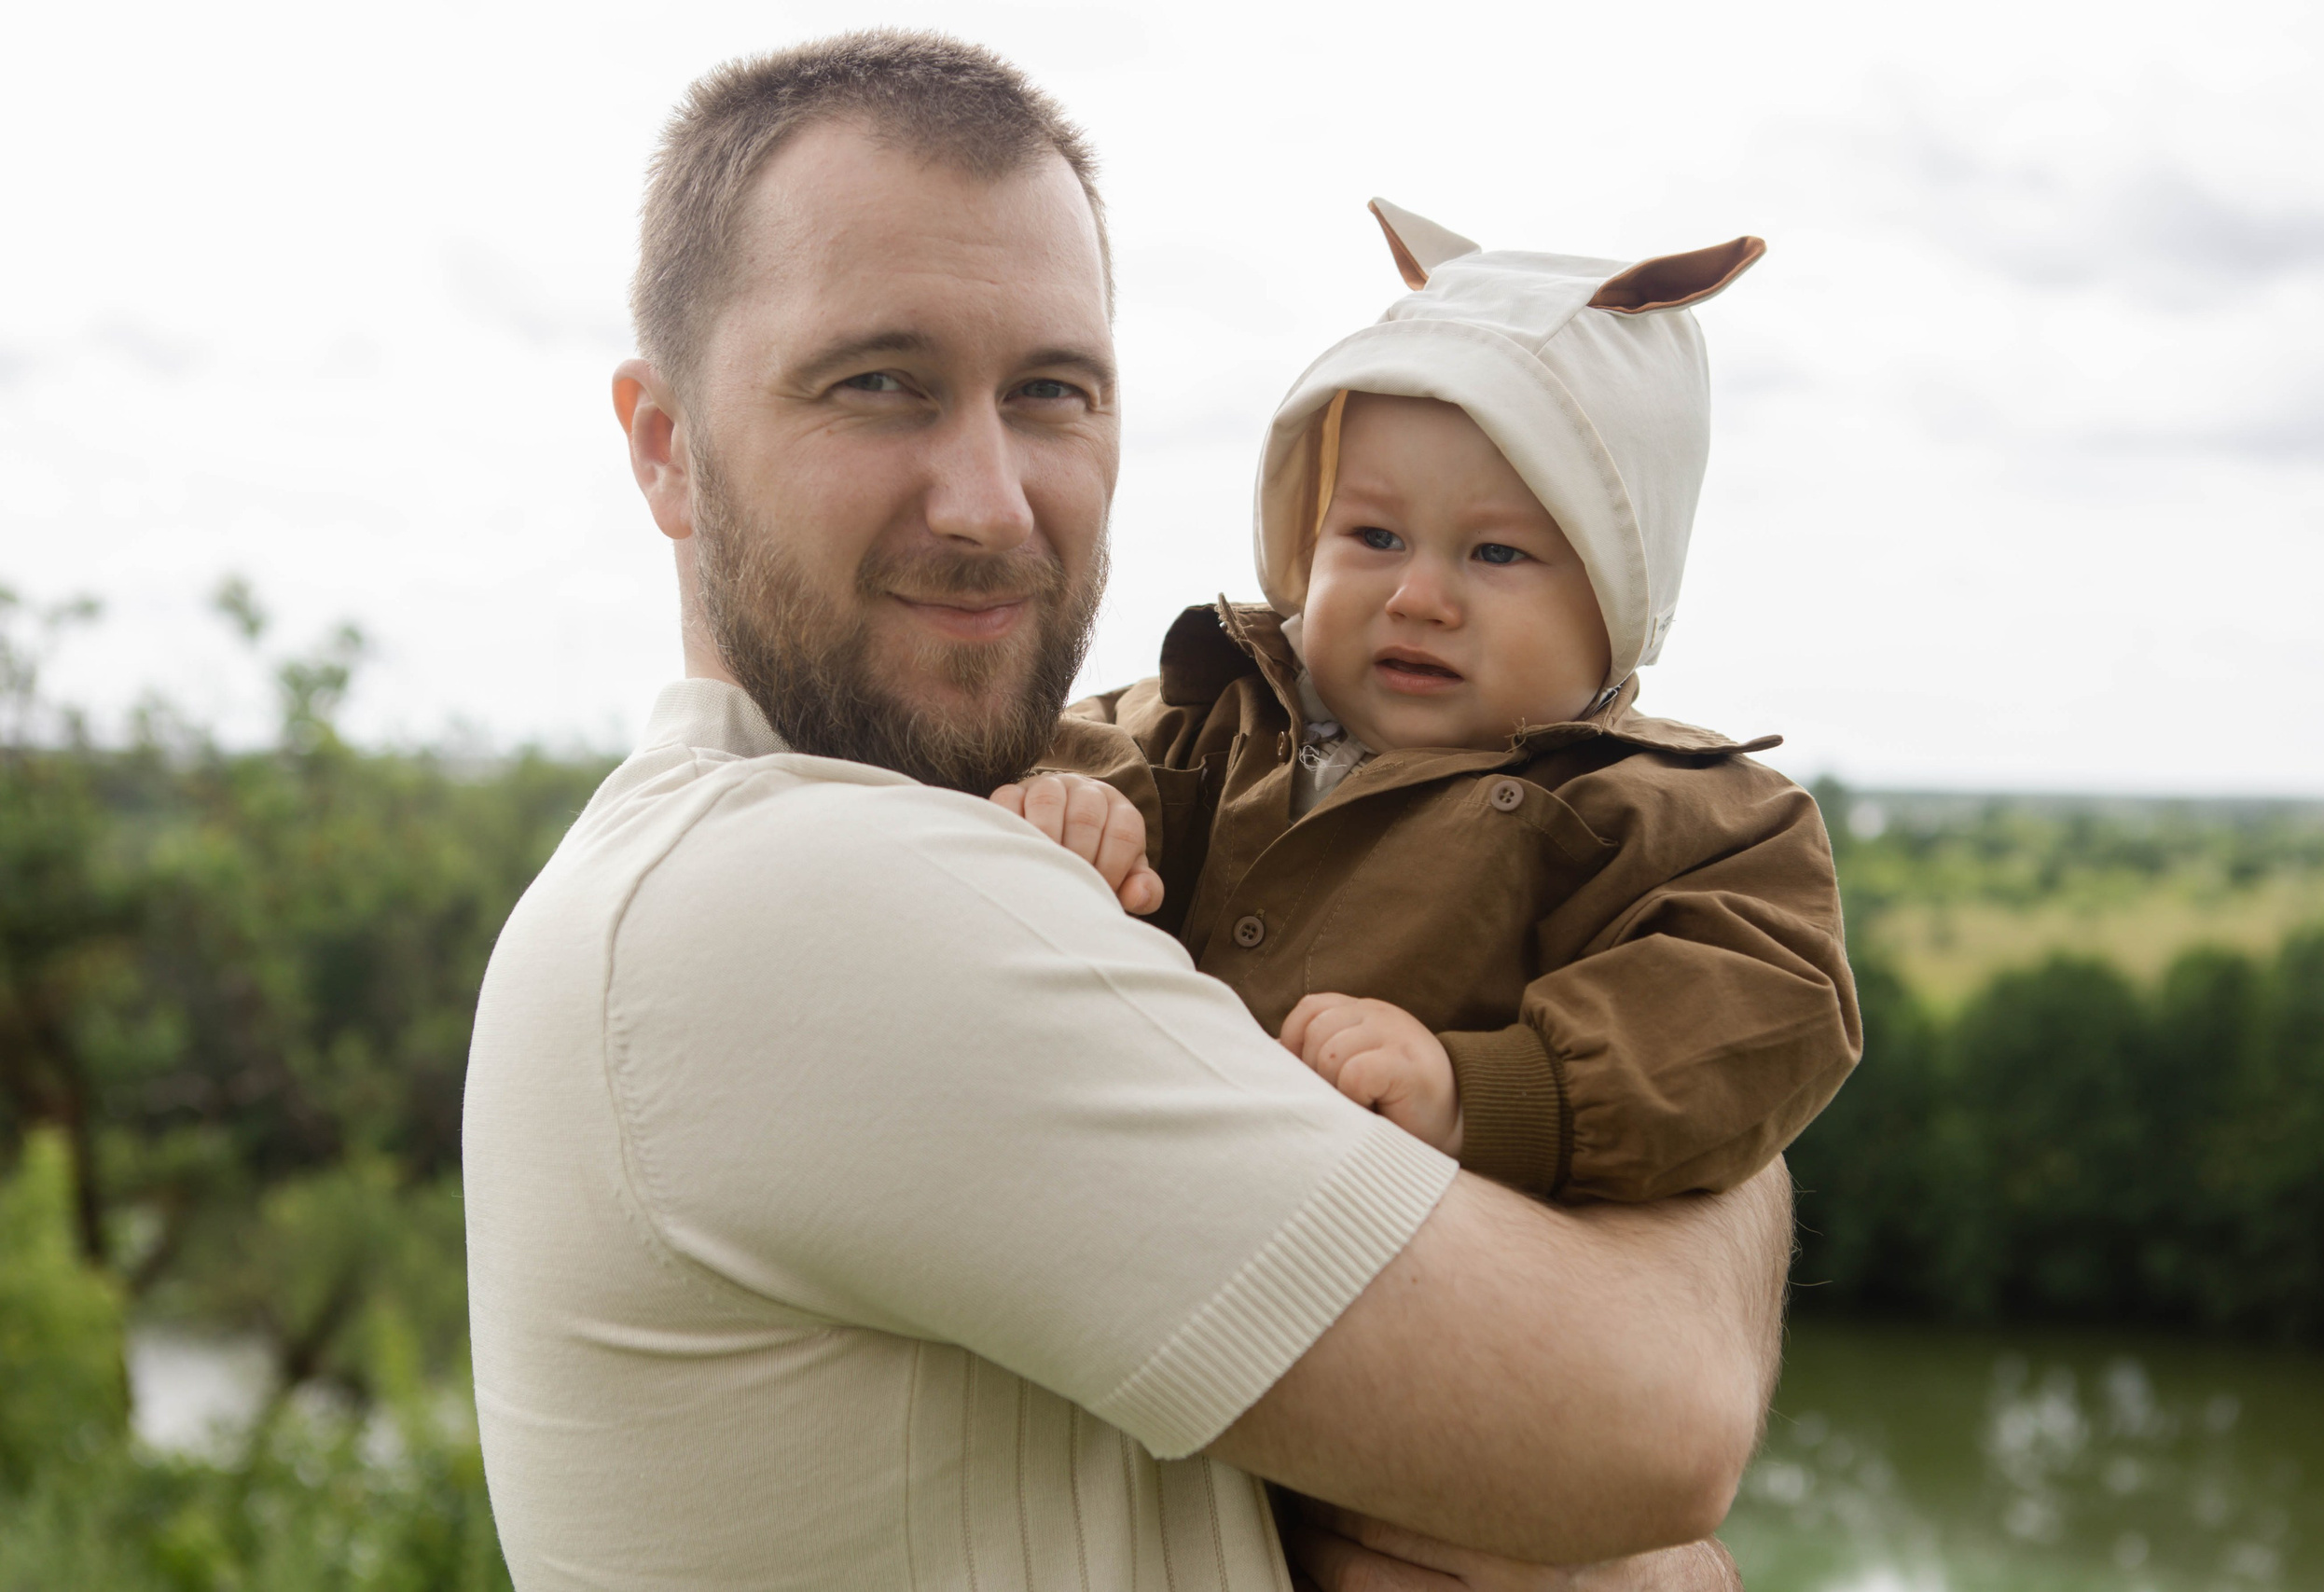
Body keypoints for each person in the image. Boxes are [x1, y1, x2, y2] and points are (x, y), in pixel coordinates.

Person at [463, 30, 1791, 1591]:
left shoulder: (942, 847)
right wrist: (1731, 1157)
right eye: (878, 384)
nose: (989, 499)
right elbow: (1651, 1426)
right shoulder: (806, 903)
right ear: (665, 443)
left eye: (1052, 394)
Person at [1013, 204, 1861, 1208]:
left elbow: (1758, 1010)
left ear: (1616, 594)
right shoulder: (1214, 708)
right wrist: (1070, 800)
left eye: (1495, 553)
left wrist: (1479, 1094)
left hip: (1400, 1295)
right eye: (1372, 535)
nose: (1417, 597)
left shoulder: (1670, 816)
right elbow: (1089, 738)